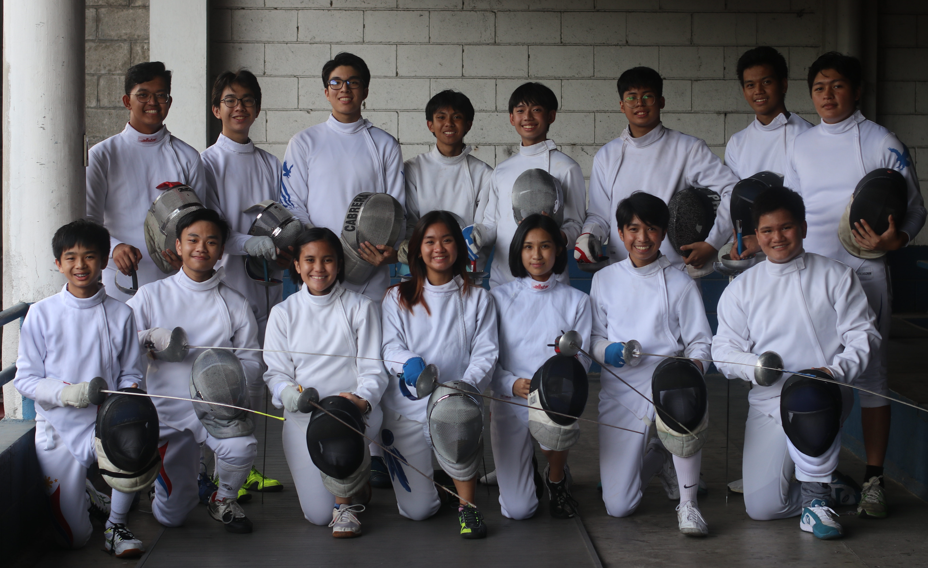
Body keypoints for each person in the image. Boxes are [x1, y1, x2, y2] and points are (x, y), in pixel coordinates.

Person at [785, 52, 927, 519]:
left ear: (857, 90)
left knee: (871, 378)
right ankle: (819, 477)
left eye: (838, 86)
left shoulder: (881, 141)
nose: (828, 95)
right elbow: (791, 210)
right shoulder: (802, 145)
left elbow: (916, 210)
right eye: (819, 87)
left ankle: (872, 480)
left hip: (865, 273)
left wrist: (897, 238)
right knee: (814, 372)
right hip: (813, 276)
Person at [712, 187, 880, 539]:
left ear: (803, 228)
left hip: (824, 395)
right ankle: (829, 488)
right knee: (762, 509)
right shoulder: (742, 288)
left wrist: (833, 372)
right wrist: (756, 365)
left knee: (809, 393)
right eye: (767, 231)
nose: (777, 237)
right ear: (756, 236)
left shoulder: (837, 276)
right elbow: (723, 350)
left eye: (786, 228)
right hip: (769, 399)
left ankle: (817, 502)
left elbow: (865, 337)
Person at [14, 219, 146, 557]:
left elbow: (132, 373)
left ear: (103, 260)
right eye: (70, 257)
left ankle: (117, 525)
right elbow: (25, 380)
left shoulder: (121, 314)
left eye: (89, 256)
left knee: (137, 438)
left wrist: (125, 402)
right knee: (73, 539)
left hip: (105, 422)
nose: (80, 265)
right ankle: (88, 493)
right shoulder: (41, 315)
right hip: (57, 428)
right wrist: (66, 393)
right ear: (58, 263)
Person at [127, 209, 261, 534]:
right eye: (193, 240)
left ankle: (222, 497)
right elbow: (121, 343)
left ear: (220, 250)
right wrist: (150, 338)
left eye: (211, 241)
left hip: (215, 413)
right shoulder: (150, 295)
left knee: (242, 447)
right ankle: (165, 478)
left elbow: (252, 362)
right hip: (165, 414)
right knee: (172, 517)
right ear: (178, 244)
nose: (202, 247)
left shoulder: (235, 303)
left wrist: (228, 391)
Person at [590, 193, 711, 536]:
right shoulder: (605, 280)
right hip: (620, 389)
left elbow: (700, 342)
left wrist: (691, 371)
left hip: (669, 384)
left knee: (684, 401)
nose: (642, 238)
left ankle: (689, 505)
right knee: (619, 506)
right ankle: (659, 453)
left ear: (663, 233)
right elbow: (594, 337)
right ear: (620, 232)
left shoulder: (680, 282)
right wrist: (608, 351)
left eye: (652, 229)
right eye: (633, 229)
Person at [380, 211, 498, 538]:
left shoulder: (478, 298)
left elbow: (486, 353)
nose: (439, 248)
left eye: (447, 240)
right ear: (418, 249)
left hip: (455, 406)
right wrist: (408, 362)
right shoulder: (396, 297)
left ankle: (468, 507)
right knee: (419, 511)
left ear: (458, 247)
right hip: (407, 411)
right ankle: (439, 483)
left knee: (459, 425)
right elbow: (389, 346)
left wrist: (463, 391)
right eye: (430, 241)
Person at [263, 228, 388, 537]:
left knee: (335, 502)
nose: (318, 268)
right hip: (303, 418)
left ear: (339, 264)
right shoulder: (282, 314)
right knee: (318, 516)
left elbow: (373, 370)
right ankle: (355, 485)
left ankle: (346, 500)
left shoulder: (361, 308)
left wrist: (361, 400)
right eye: (310, 260)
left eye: (327, 260)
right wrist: (289, 395)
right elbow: (275, 373)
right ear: (296, 265)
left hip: (352, 414)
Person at [201, 69, 285, 498]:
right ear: (217, 109)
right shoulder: (207, 163)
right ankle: (219, 470)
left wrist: (283, 247)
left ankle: (248, 468)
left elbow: (284, 224)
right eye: (230, 100)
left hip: (266, 286)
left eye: (247, 100)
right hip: (224, 284)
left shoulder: (272, 163)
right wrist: (251, 245)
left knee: (257, 375)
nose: (239, 107)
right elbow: (210, 232)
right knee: (224, 378)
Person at [577, 67, 737, 274]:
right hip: (621, 272)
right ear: (621, 106)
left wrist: (713, 243)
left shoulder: (687, 148)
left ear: (661, 102)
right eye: (631, 98)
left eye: (647, 97)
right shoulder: (606, 156)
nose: (639, 104)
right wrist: (589, 235)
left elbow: (732, 189)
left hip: (674, 273)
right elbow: (599, 214)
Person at [280, 52, 405, 303]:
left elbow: (396, 208)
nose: (344, 88)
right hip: (319, 271)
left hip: (369, 271)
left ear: (365, 91)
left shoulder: (385, 144)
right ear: (327, 92)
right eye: (336, 82)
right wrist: (321, 251)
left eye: (353, 82)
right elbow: (292, 203)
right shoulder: (304, 142)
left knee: (368, 339)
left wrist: (383, 252)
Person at [489, 214, 592, 520]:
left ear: (558, 250)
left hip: (554, 400)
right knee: (519, 511)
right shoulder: (499, 297)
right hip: (510, 400)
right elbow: (487, 357)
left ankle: (557, 478)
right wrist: (509, 383)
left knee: (554, 436)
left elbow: (582, 359)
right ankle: (525, 470)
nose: (537, 255)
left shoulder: (577, 301)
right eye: (529, 247)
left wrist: (555, 390)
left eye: (545, 246)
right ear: (519, 252)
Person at [86, 61, 214, 304]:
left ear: (169, 101)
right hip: (120, 282)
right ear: (127, 101)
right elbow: (89, 222)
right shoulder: (103, 155)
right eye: (143, 95)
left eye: (161, 95)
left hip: (175, 281)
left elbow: (199, 222)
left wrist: (187, 256)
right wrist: (114, 248)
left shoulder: (187, 157)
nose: (153, 102)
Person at [479, 82, 585, 288]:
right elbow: (492, 223)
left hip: (550, 283)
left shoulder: (567, 168)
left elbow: (576, 226)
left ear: (551, 116)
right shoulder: (502, 170)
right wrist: (478, 233)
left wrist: (555, 234)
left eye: (536, 110)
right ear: (512, 118)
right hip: (503, 281)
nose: (527, 117)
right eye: (520, 111)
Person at [726, 46, 812, 260]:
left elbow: (813, 201)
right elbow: (732, 200)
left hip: (798, 250)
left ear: (783, 84)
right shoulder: (738, 142)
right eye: (750, 85)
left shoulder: (808, 135)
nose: (758, 91)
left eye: (766, 82)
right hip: (751, 255)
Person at [403, 90, 493, 270]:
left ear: (468, 124)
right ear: (430, 125)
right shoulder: (413, 168)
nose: (449, 124)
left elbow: (486, 225)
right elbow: (410, 223)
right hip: (423, 267)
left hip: (466, 269)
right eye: (441, 117)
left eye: (457, 117)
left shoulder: (484, 173)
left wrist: (476, 236)